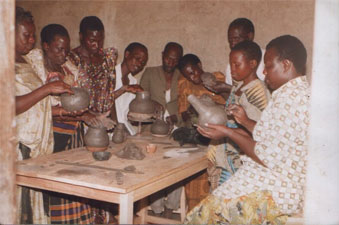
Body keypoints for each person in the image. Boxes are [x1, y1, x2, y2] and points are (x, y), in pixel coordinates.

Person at [185, 35, 309, 224]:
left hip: (275, 191)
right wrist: (244, 121)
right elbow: (272, 137)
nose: (265, 73)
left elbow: (265, 153)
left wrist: (228, 132)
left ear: (285, 65)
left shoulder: (291, 101)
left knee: (199, 217)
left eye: (268, 66)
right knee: (213, 202)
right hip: (270, 180)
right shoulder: (294, 94)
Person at [14, 7, 74, 224]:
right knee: (21, 210)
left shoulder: (26, 62)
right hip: (19, 148)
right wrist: (47, 89)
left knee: (36, 208)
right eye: (26, 35)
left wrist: (59, 111)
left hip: (38, 148)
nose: (31, 41)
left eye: (33, 35)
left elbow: (34, 105)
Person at [206, 40, 270, 191]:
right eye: (231, 64)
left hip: (240, 157)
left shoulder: (257, 90)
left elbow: (260, 129)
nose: (232, 69)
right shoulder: (238, 87)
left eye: (237, 64)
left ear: (253, 63)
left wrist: (228, 130)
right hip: (227, 154)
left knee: (230, 200)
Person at [68, 16, 118, 119]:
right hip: (80, 121)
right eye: (92, 40)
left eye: (100, 40)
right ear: (81, 36)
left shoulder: (108, 59)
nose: (97, 45)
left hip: (104, 121)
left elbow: (110, 96)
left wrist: (115, 123)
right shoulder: (71, 60)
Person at [140, 42, 183, 126]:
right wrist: (153, 103)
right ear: (163, 55)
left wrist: (177, 117)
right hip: (151, 124)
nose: (170, 63)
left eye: (175, 60)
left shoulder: (182, 77)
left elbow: (188, 106)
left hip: (177, 126)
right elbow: (141, 99)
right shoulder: (150, 73)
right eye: (168, 58)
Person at [178, 54, 226, 126]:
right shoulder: (185, 86)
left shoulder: (217, 78)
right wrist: (191, 110)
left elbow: (230, 104)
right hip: (199, 125)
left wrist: (209, 104)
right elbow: (184, 114)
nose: (192, 78)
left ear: (199, 65)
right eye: (187, 77)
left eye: (192, 73)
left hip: (222, 121)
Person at [113, 42, 148, 135]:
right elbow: (102, 101)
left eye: (143, 63)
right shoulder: (110, 74)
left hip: (125, 128)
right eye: (137, 58)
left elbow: (128, 113)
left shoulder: (133, 81)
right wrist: (124, 89)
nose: (139, 64)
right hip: (108, 127)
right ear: (127, 54)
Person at [225, 18, 265, 85]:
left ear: (250, 36)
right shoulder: (231, 65)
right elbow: (231, 93)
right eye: (230, 40)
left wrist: (227, 89)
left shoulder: (266, 59)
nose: (232, 44)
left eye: (236, 38)